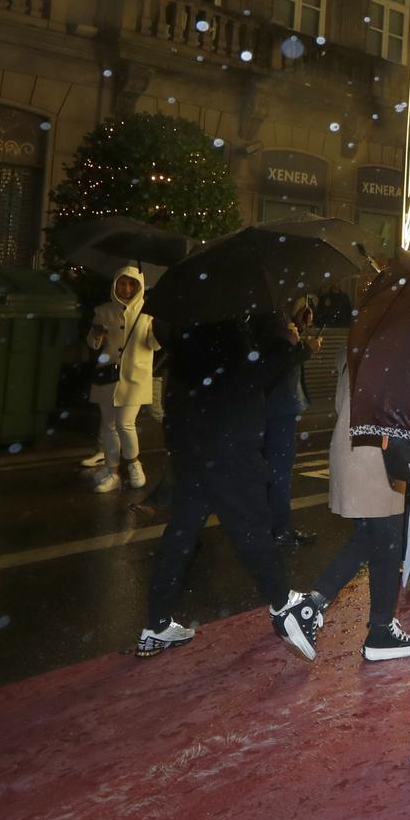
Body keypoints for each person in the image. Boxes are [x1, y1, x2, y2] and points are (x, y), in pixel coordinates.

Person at [135, 317, 319, 661]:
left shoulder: (188, 334)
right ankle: (285, 607)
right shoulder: (227, 329)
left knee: (181, 534)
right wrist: (286, 346)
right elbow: (251, 379)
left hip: (190, 448)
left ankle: (156, 623)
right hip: (228, 449)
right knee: (251, 527)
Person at [288, 350, 410, 662]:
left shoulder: (354, 346)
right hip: (376, 459)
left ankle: (380, 629)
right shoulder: (392, 351)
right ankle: (311, 604)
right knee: (377, 541)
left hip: (352, 451)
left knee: (382, 546)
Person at [84, 266, 161, 493]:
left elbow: (154, 345)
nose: (126, 288)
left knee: (125, 424)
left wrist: (158, 330)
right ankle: (112, 470)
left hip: (135, 377)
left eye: (131, 284)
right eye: (122, 283)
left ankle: (134, 463)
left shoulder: (148, 313)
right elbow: (92, 343)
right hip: (108, 374)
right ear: (115, 284)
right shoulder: (104, 311)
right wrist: (96, 335)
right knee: (108, 425)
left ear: (138, 287)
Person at [251, 301, 320, 547]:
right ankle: (279, 530)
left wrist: (298, 326)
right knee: (278, 471)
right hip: (277, 406)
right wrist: (305, 349)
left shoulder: (267, 311)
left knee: (269, 469)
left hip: (271, 406)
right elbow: (274, 359)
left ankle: (265, 527)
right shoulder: (268, 315)